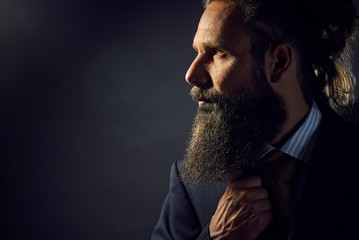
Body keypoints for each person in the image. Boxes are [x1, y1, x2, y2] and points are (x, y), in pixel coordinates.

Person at [152, 0, 359, 239]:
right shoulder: (190, 181)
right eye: (197, 52)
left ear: (279, 62)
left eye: (219, 52)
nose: (191, 75)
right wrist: (215, 237)